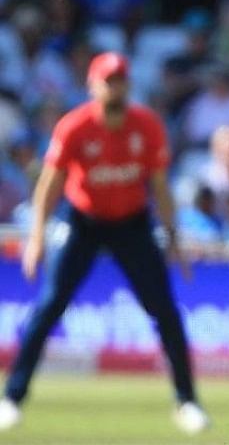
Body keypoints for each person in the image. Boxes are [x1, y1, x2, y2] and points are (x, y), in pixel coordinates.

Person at [0, 53, 209, 434]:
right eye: (107, 80)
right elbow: (50, 184)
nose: (114, 87)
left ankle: (187, 401)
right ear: (92, 86)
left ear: (129, 84)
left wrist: (174, 239)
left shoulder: (147, 126)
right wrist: (36, 238)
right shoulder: (74, 126)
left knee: (164, 309)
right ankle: (11, 398)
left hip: (131, 222)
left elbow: (160, 187)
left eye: (120, 80)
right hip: (83, 220)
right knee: (49, 305)